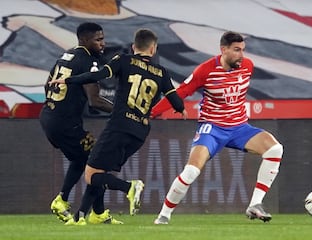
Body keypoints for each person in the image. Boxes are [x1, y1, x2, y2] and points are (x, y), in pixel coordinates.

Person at [49, 28, 187, 225]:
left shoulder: (124, 60)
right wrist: (181, 110)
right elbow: (176, 101)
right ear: (153, 49)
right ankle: (81, 216)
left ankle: (129, 187)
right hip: (140, 132)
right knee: (101, 171)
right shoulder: (161, 72)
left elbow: (97, 76)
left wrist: (68, 80)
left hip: (120, 125)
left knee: (91, 174)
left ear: (133, 47)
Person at [151, 31, 284, 224]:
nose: (241, 55)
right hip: (212, 128)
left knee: (275, 149)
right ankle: (163, 215)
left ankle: (255, 205)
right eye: (236, 50)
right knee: (191, 171)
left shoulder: (247, 66)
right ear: (223, 50)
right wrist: (152, 113)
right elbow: (180, 92)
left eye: (243, 50)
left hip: (239, 128)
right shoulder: (205, 70)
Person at [39, 22, 116, 223]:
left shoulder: (67, 55)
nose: (102, 44)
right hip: (65, 123)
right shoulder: (87, 61)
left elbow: (47, 86)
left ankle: (98, 213)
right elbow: (95, 100)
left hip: (49, 116)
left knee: (84, 160)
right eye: (98, 40)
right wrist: (123, 111)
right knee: (95, 163)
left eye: (103, 39)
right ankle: (63, 200)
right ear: (84, 40)